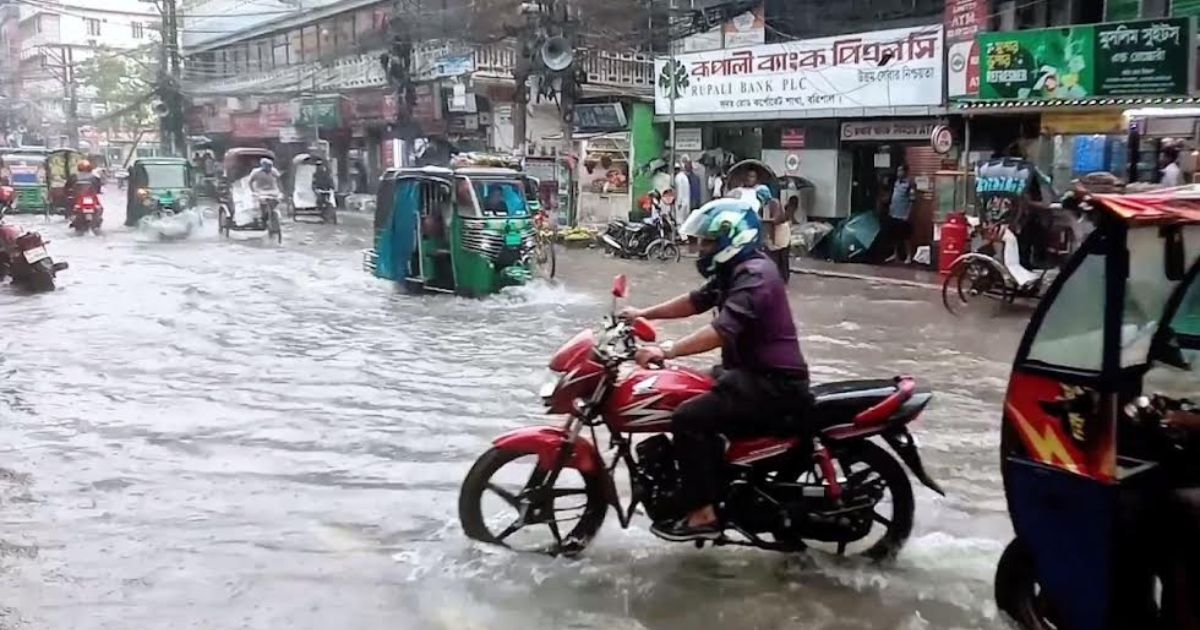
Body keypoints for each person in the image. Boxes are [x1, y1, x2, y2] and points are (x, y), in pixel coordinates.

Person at [618, 200, 812, 541]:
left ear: (731, 239)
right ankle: (717, 476)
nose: (701, 248)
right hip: (746, 374)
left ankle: (703, 512)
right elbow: (694, 301)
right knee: (683, 385)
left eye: (707, 242)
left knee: (688, 418)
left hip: (773, 384)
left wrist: (666, 349)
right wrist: (641, 314)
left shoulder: (756, 276)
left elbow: (721, 331)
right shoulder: (735, 271)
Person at [756, 186, 790, 283]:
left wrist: (763, 221)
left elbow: (777, 219)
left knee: (782, 256)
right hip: (773, 230)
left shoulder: (774, 202)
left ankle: (784, 278)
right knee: (775, 255)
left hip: (781, 230)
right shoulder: (764, 205)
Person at [888, 165, 915, 264]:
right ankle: (895, 254)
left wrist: (908, 214)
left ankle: (909, 256)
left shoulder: (909, 183)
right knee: (895, 235)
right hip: (894, 213)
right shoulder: (896, 183)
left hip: (903, 214)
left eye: (900, 171)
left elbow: (912, 200)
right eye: (898, 170)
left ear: (905, 172)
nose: (898, 172)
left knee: (905, 237)